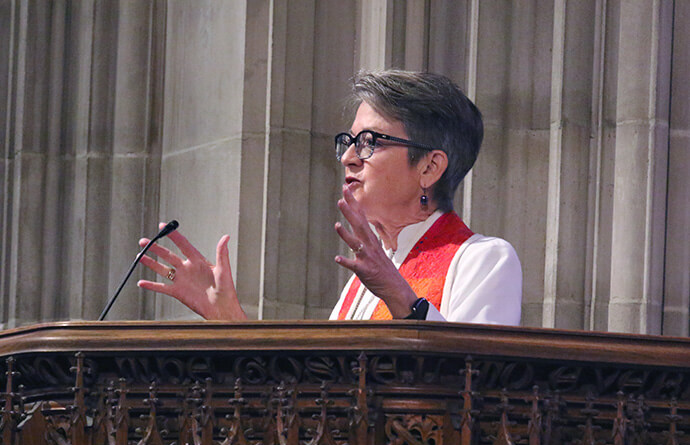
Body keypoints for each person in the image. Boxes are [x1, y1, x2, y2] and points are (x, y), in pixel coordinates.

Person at [137, 70, 522, 325]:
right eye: (349, 142)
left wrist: (400, 296)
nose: (349, 157)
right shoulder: (367, 277)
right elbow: (316, 400)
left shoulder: (484, 261)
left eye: (370, 142)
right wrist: (230, 321)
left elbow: (475, 389)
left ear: (429, 167)